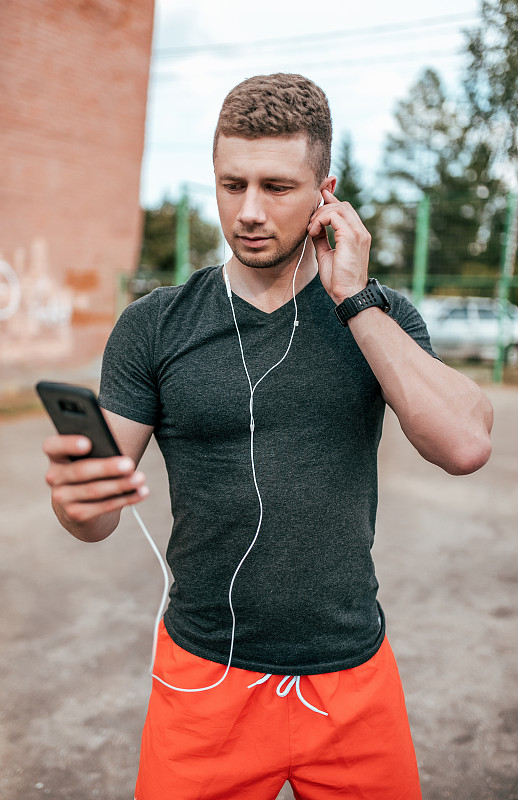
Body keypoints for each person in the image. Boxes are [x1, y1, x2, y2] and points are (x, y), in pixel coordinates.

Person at [43, 74, 493, 800]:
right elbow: (94, 520)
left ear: (326, 192)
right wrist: (74, 498)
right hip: (204, 680)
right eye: (232, 184)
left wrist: (355, 299)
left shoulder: (377, 315)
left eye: (277, 187)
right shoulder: (155, 326)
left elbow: (467, 444)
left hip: (350, 679)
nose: (248, 212)